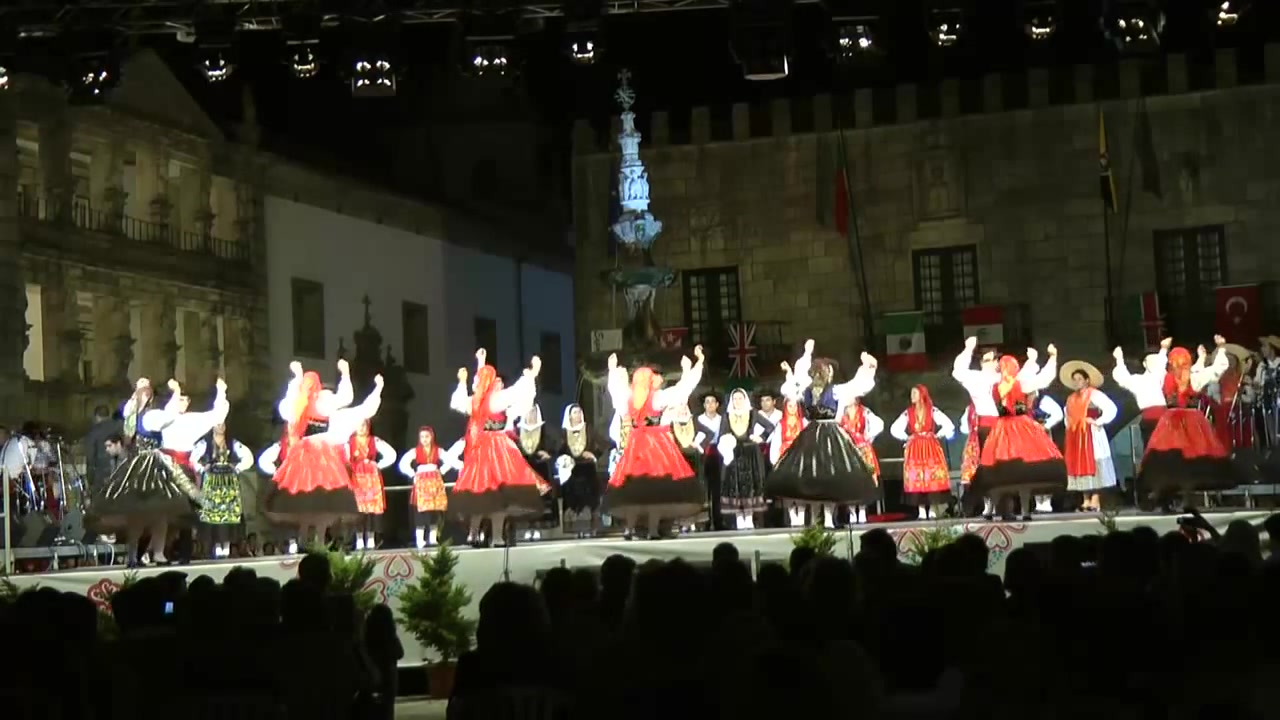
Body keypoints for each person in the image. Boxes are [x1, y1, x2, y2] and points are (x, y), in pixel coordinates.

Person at [93, 377, 227, 565]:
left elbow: (170, 417)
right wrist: (148, 393)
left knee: (161, 514)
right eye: (141, 388)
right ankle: (135, 555)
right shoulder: (140, 416)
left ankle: (157, 552)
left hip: (157, 465)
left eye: (148, 389)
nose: (145, 392)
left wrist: (177, 393)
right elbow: (134, 423)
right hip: (141, 466)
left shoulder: (156, 415)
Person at [266, 360, 383, 553]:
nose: (323, 396)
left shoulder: (333, 414)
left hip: (323, 458)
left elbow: (356, 404)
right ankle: (303, 540)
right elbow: (288, 405)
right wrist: (296, 379)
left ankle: (317, 540)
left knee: (323, 502)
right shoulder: (300, 409)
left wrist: (350, 376)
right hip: (306, 458)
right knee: (306, 500)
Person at [769, 339, 879, 529]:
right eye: (823, 371)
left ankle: (828, 517)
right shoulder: (806, 391)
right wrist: (806, 354)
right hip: (812, 435)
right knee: (811, 477)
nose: (825, 374)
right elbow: (789, 388)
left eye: (826, 371)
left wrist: (868, 367)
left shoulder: (837, 391)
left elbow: (859, 385)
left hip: (831, 435)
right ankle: (813, 517)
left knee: (829, 478)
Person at [603, 345, 707, 538]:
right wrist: (695, 365)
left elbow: (613, 390)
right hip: (657, 447)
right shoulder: (658, 398)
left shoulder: (628, 398)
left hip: (636, 449)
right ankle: (652, 530)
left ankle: (629, 528)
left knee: (635, 491)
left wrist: (612, 370)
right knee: (657, 494)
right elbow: (683, 389)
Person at [449, 349, 545, 546]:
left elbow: (459, 401)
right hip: (498, 449)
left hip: (479, 452)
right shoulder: (496, 400)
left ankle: (473, 534)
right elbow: (517, 392)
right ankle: (497, 537)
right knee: (499, 498)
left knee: (480, 496)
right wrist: (531, 374)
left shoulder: (474, 402)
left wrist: (463, 379)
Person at [1138, 336, 1236, 510]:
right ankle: (1180, 498)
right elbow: (1217, 369)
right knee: (1188, 462)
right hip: (1188, 422)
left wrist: (1163, 349)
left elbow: (1159, 367)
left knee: (1172, 461)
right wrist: (1220, 348)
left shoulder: (1165, 377)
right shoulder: (1193, 377)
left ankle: (1167, 498)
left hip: (1173, 423)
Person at [970, 341, 1065, 521]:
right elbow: (1044, 378)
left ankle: (995, 509)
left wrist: (1032, 361)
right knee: (1024, 469)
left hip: (1001, 427)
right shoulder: (1020, 383)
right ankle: (1024, 511)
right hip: (1021, 426)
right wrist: (1052, 358)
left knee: (1000, 469)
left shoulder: (995, 387)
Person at [952, 343, 1005, 517]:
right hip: (986, 427)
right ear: (982, 363)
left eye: (994, 359)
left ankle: (1006, 506)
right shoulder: (977, 378)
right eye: (987, 360)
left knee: (1006, 468)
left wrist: (1049, 360)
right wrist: (967, 349)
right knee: (987, 468)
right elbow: (958, 372)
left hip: (1005, 427)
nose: (992, 363)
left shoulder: (1006, 377)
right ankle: (988, 504)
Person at [1059, 360, 1119, 513]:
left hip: (1091, 434)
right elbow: (1067, 415)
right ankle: (1085, 499)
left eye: (1080, 379)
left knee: (1094, 463)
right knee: (1080, 465)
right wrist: (1070, 427)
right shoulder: (1071, 398)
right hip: (1076, 435)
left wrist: (1098, 421)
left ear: (1087, 380)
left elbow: (1111, 408)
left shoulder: (1095, 394)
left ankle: (1096, 498)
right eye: (1075, 379)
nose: (1077, 382)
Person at [889, 384, 956, 521]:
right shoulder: (908, 413)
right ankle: (921, 511)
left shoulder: (933, 411)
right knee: (917, 477)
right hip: (915, 448)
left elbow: (949, 425)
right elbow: (894, 429)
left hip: (930, 446)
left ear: (922, 395)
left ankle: (932, 510)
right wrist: (907, 437)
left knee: (931, 477)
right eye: (911, 393)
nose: (912, 396)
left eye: (915, 393)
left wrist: (938, 435)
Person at [191, 422, 255, 558]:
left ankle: (225, 548)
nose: (221, 427)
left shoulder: (233, 443)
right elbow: (192, 459)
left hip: (228, 485)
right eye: (218, 424)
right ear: (213, 426)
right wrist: (202, 469)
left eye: (223, 425)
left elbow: (248, 458)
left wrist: (237, 467)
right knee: (211, 516)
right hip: (212, 485)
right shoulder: (205, 443)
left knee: (228, 516)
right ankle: (213, 548)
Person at [713, 388, 775, 530]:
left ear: (745, 399)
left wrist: (761, 438)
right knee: (736, 486)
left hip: (750, 453)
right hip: (734, 454)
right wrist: (726, 441)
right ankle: (739, 518)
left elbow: (770, 427)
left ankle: (749, 517)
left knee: (750, 486)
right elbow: (722, 434)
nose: (738, 401)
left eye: (740, 398)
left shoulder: (752, 413)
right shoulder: (727, 416)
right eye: (735, 399)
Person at [397, 426, 461, 548]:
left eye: (427, 436)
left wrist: (441, 471)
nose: (425, 439)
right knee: (421, 511)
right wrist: (412, 474)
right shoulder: (415, 451)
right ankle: (420, 539)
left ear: (432, 437)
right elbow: (403, 464)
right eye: (422, 437)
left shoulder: (438, 451)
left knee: (435, 511)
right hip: (421, 482)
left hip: (435, 482)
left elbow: (450, 461)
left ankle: (432, 538)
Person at [345, 418, 396, 551]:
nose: (361, 428)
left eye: (364, 425)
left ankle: (371, 538)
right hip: (356, 478)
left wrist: (378, 465)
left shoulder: (375, 440)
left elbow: (391, 454)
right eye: (359, 425)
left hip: (372, 478)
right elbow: (343, 459)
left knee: (371, 511)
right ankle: (360, 539)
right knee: (358, 511)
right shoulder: (348, 442)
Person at [554, 404, 603, 538]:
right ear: (569, 416)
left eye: (580, 412)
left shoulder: (589, 430)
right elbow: (559, 451)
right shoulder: (564, 432)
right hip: (572, 472)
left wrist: (592, 454)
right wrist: (565, 459)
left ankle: (590, 529)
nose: (578, 415)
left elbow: (602, 444)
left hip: (587, 469)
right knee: (572, 500)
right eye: (575, 412)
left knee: (590, 500)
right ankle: (573, 531)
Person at [513, 405, 557, 542]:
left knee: (540, 500)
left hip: (540, 469)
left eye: (533, 412)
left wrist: (547, 453)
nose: (530, 415)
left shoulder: (543, 429)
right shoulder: (517, 429)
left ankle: (537, 529)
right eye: (527, 412)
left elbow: (552, 446)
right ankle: (525, 529)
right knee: (525, 501)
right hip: (523, 469)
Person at [838, 396, 884, 524]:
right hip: (848, 450)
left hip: (863, 451)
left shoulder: (864, 411)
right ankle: (852, 512)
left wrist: (868, 437)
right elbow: (836, 428)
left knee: (864, 481)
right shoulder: (842, 413)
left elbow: (879, 424)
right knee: (850, 482)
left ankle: (862, 512)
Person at [768, 397, 807, 527]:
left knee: (801, 488)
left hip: (801, 457)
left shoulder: (804, 422)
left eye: (794, 406)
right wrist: (775, 460)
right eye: (789, 406)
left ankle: (801, 515)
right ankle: (792, 515)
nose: (792, 408)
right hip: (786, 458)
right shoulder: (781, 424)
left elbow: (809, 440)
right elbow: (776, 442)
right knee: (788, 489)